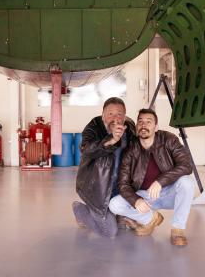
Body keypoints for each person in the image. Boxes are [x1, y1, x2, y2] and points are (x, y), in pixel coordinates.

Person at [109, 108, 195, 246]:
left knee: (186, 183)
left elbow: (186, 166)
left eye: (149, 122)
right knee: (114, 204)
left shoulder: (169, 139)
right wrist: (136, 200)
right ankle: (151, 218)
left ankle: (178, 230)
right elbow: (123, 184)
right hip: (145, 197)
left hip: (168, 193)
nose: (144, 125)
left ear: (156, 127)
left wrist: (160, 182)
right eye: (140, 122)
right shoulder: (131, 150)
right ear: (137, 127)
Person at [72, 97, 136, 237]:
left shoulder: (130, 128)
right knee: (110, 232)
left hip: (119, 190)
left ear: (124, 117)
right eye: (110, 114)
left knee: (126, 226)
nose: (115, 118)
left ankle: (115, 212)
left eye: (119, 114)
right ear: (103, 116)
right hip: (97, 191)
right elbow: (86, 149)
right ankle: (79, 209)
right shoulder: (93, 126)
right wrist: (111, 140)